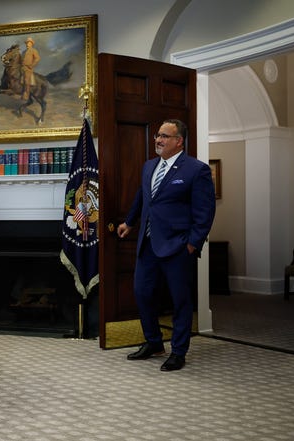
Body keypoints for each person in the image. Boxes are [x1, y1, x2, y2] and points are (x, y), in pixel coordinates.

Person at [116, 119, 215, 371]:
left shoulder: (196, 170)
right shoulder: (149, 166)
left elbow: (205, 212)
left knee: (180, 301)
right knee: (142, 292)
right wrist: (129, 222)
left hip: (178, 246)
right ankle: (154, 342)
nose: (158, 140)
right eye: (157, 135)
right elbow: (143, 196)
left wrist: (193, 244)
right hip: (148, 243)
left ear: (178, 141)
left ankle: (179, 352)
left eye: (164, 136)